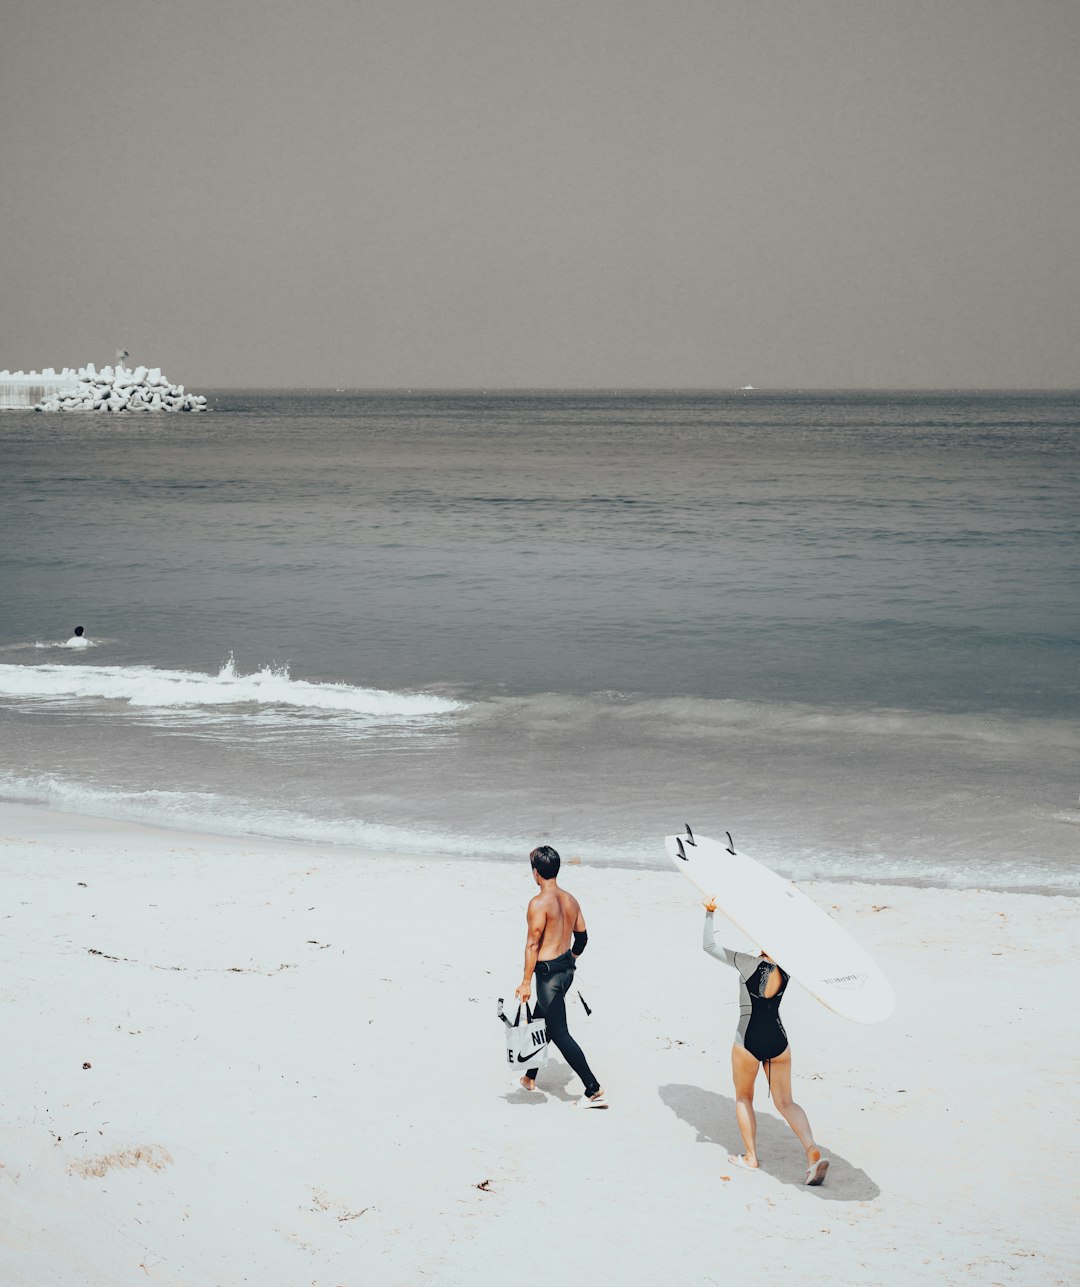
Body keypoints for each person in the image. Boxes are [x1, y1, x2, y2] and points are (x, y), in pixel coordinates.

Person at [701, 897, 828, 1185]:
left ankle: (750, 1157)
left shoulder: (747, 963)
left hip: (748, 1039)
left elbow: (709, 946)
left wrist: (709, 913)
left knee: (744, 1097)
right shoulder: (788, 967)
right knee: (786, 1101)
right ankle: (811, 1150)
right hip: (778, 1040)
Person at [515, 845, 606, 1108]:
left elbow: (532, 945)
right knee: (537, 1021)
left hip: (548, 978)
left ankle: (593, 1088)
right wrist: (571, 959)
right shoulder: (570, 900)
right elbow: (583, 938)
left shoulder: (538, 903)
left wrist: (525, 982)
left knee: (558, 1032)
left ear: (536, 873)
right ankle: (530, 1078)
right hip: (566, 972)